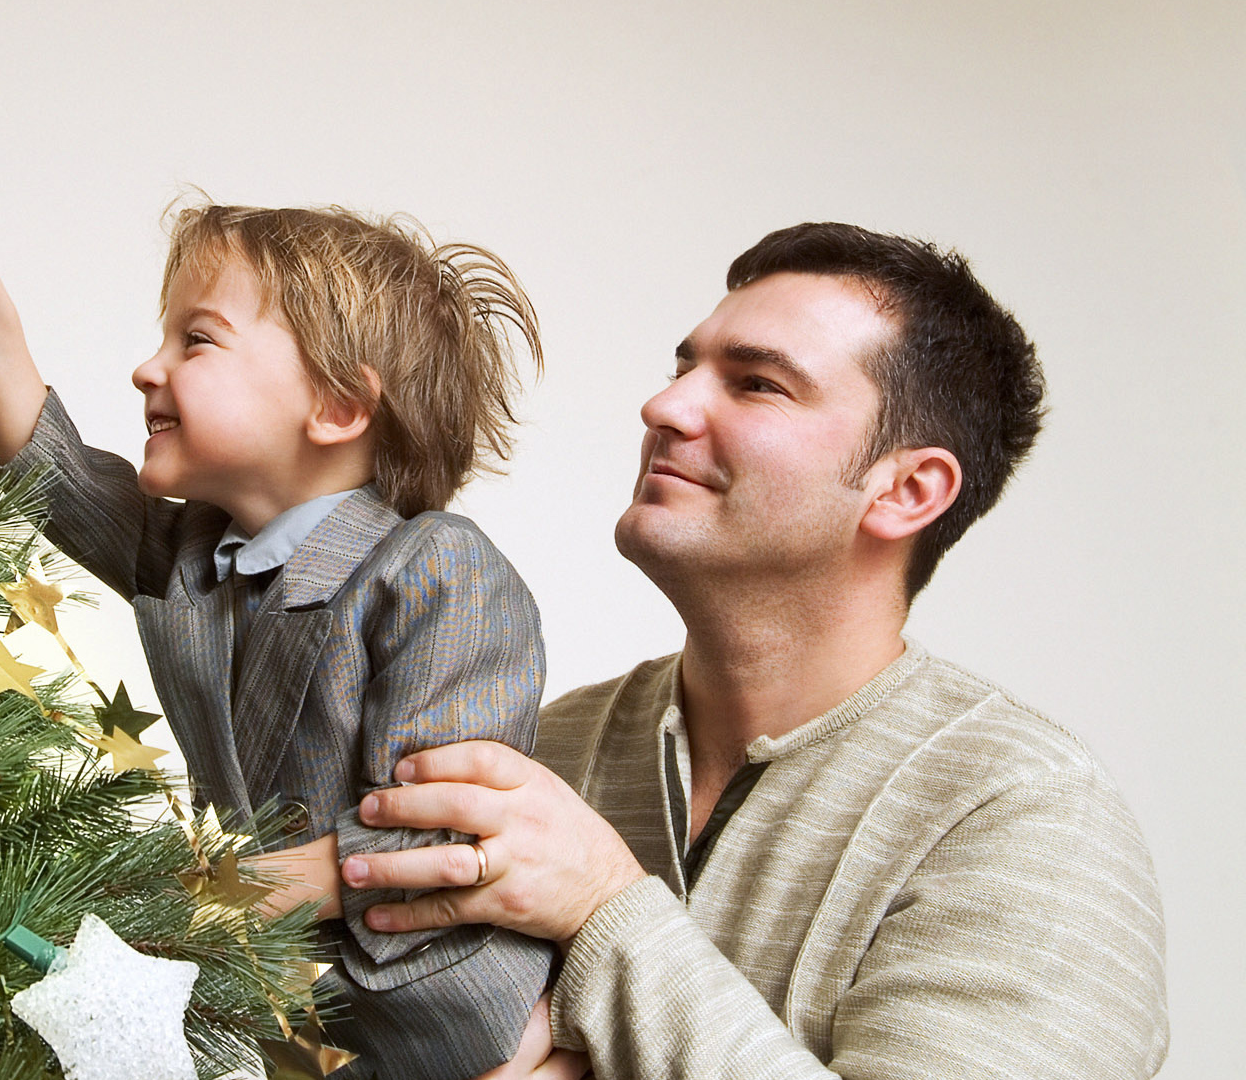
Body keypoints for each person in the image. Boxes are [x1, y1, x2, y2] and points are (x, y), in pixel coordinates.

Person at [339, 223, 1171, 1079]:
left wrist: (601, 908)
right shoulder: (540, 751)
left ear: (907, 490)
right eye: (683, 368)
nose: (665, 407)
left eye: (759, 384)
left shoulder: (1025, 817)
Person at [0, 203, 556, 1079]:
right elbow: (59, 484)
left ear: (339, 404)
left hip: (430, 1002)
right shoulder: (198, 554)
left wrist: (202, 904)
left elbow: (439, 839)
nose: (144, 369)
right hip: (281, 997)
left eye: (195, 341)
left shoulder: (438, 570)